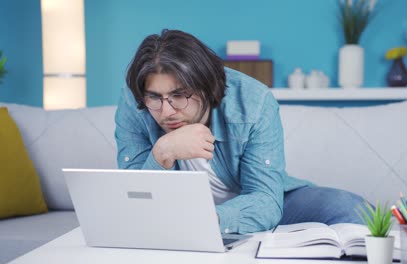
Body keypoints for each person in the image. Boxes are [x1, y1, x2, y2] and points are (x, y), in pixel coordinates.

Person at [115, 29, 366, 235]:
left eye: (179, 95)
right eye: (155, 98)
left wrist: (205, 221)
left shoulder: (254, 100)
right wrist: (163, 152)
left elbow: (265, 199)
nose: (167, 111)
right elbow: (135, 201)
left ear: (206, 85)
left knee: (352, 208)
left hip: (247, 204)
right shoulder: (135, 100)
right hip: (174, 210)